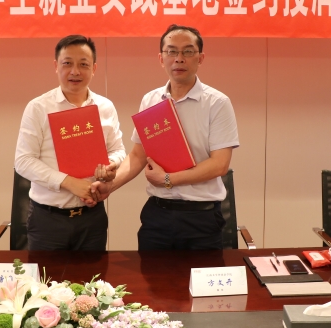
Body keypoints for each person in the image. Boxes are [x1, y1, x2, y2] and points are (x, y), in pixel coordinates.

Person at [93, 24, 239, 250]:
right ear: (161, 59)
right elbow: (138, 156)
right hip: (157, 215)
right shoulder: (151, 100)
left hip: (202, 218)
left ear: (200, 58)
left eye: (188, 51)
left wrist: (168, 179)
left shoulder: (217, 103)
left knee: (201, 275)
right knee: (151, 274)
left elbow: (219, 165)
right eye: (171, 51)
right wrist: (110, 186)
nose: (179, 58)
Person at [15, 34, 125, 251]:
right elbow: (23, 161)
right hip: (48, 219)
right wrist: (68, 182)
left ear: (94, 68)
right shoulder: (38, 108)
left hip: (92, 218)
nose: (75, 71)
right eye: (67, 63)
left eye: (83, 64)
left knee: (95, 274)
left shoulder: (105, 107)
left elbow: (118, 149)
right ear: (56, 66)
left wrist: (111, 165)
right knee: (46, 275)